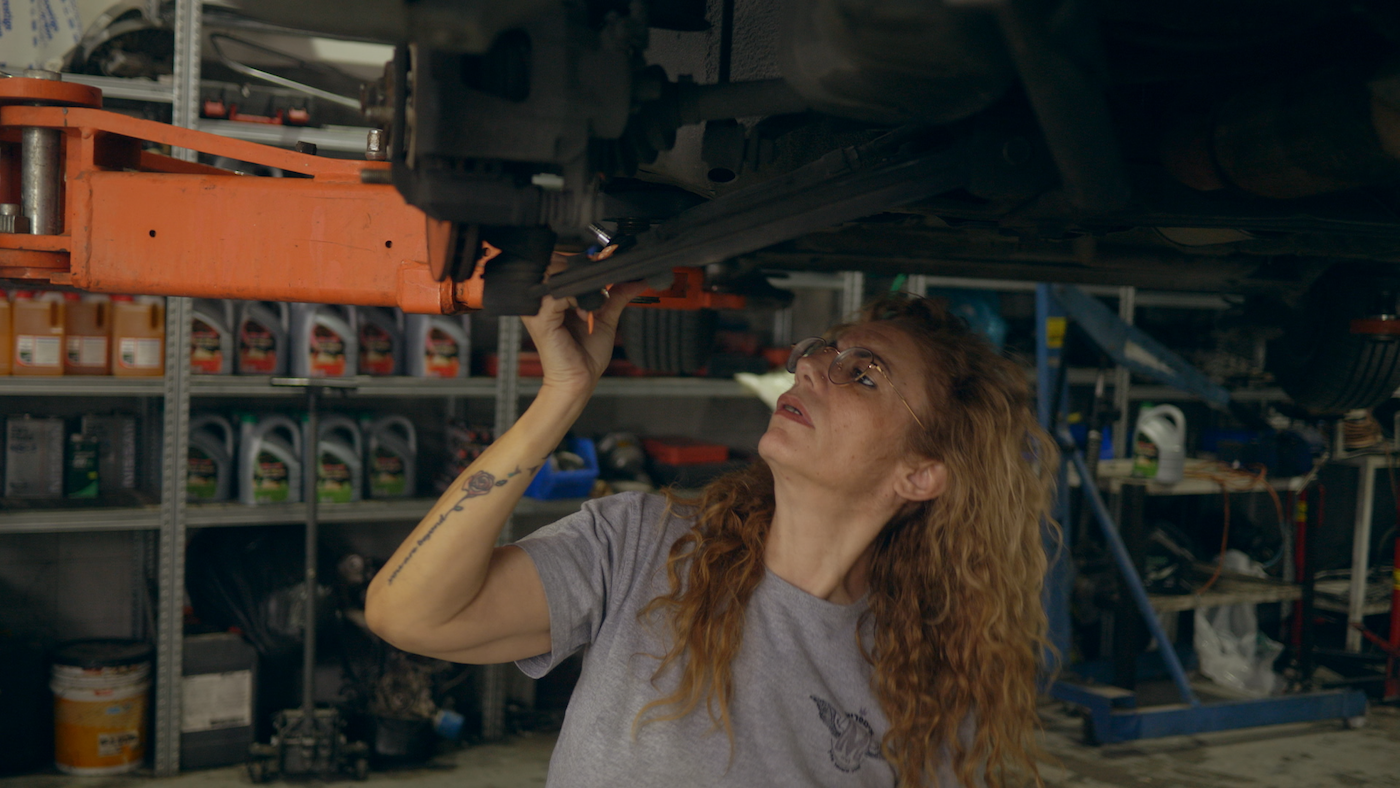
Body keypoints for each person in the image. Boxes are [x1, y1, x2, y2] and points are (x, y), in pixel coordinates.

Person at [366, 279, 1058, 788]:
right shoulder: (644, 544)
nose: (811, 364)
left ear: (922, 474)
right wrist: (562, 396)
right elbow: (410, 613)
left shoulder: (925, 678)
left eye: (865, 376)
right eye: (825, 350)